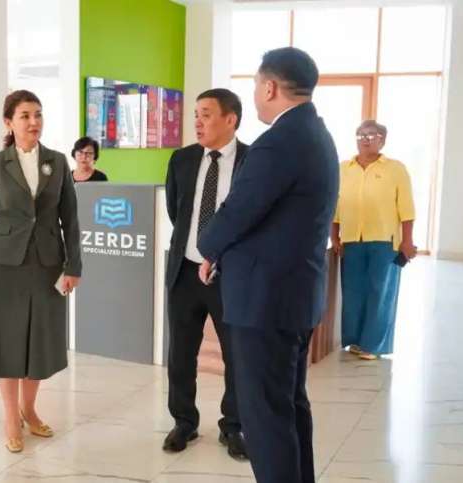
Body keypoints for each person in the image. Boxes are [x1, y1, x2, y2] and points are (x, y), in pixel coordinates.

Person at [197, 47, 339, 483]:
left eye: (257, 85)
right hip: (293, 295)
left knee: (265, 416)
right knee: (289, 406)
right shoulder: (315, 132)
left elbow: (239, 210)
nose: (256, 94)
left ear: (270, 87)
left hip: (264, 302)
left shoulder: (278, 142)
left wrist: (208, 247)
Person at [0, 89, 83, 454]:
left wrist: (74, 265)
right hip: (2, 266)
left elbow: (71, 219)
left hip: (47, 265)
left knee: (39, 341)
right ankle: (9, 416)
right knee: (7, 341)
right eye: (25, 116)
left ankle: (29, 409)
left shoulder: (57, 162)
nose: (34, 122)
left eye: (38, 114)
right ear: (9, 122)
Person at [161, 88, 248, 460]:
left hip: (231, 276)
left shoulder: (252, 161)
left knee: (237, 355)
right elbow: (176, 211)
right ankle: (184, 422)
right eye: (196, 114)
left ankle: (234, 426)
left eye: (206, 114)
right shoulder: (182, 159)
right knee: (181, 353)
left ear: (230, 119)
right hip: (185, 271)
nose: (197, 121)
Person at [332, 120, 416, 361]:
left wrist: (407, 241)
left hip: (384, 241)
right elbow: (334, 205)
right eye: (361, 135)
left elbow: (407, 208)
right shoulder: (343, 168)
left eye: (371, 135)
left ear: (382, 140)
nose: (365, 139)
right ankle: (356, 340)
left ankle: (374, 345)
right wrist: (334, 236)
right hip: (351, 239)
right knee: (353, 291)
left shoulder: (395, 169)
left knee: (380, 292)